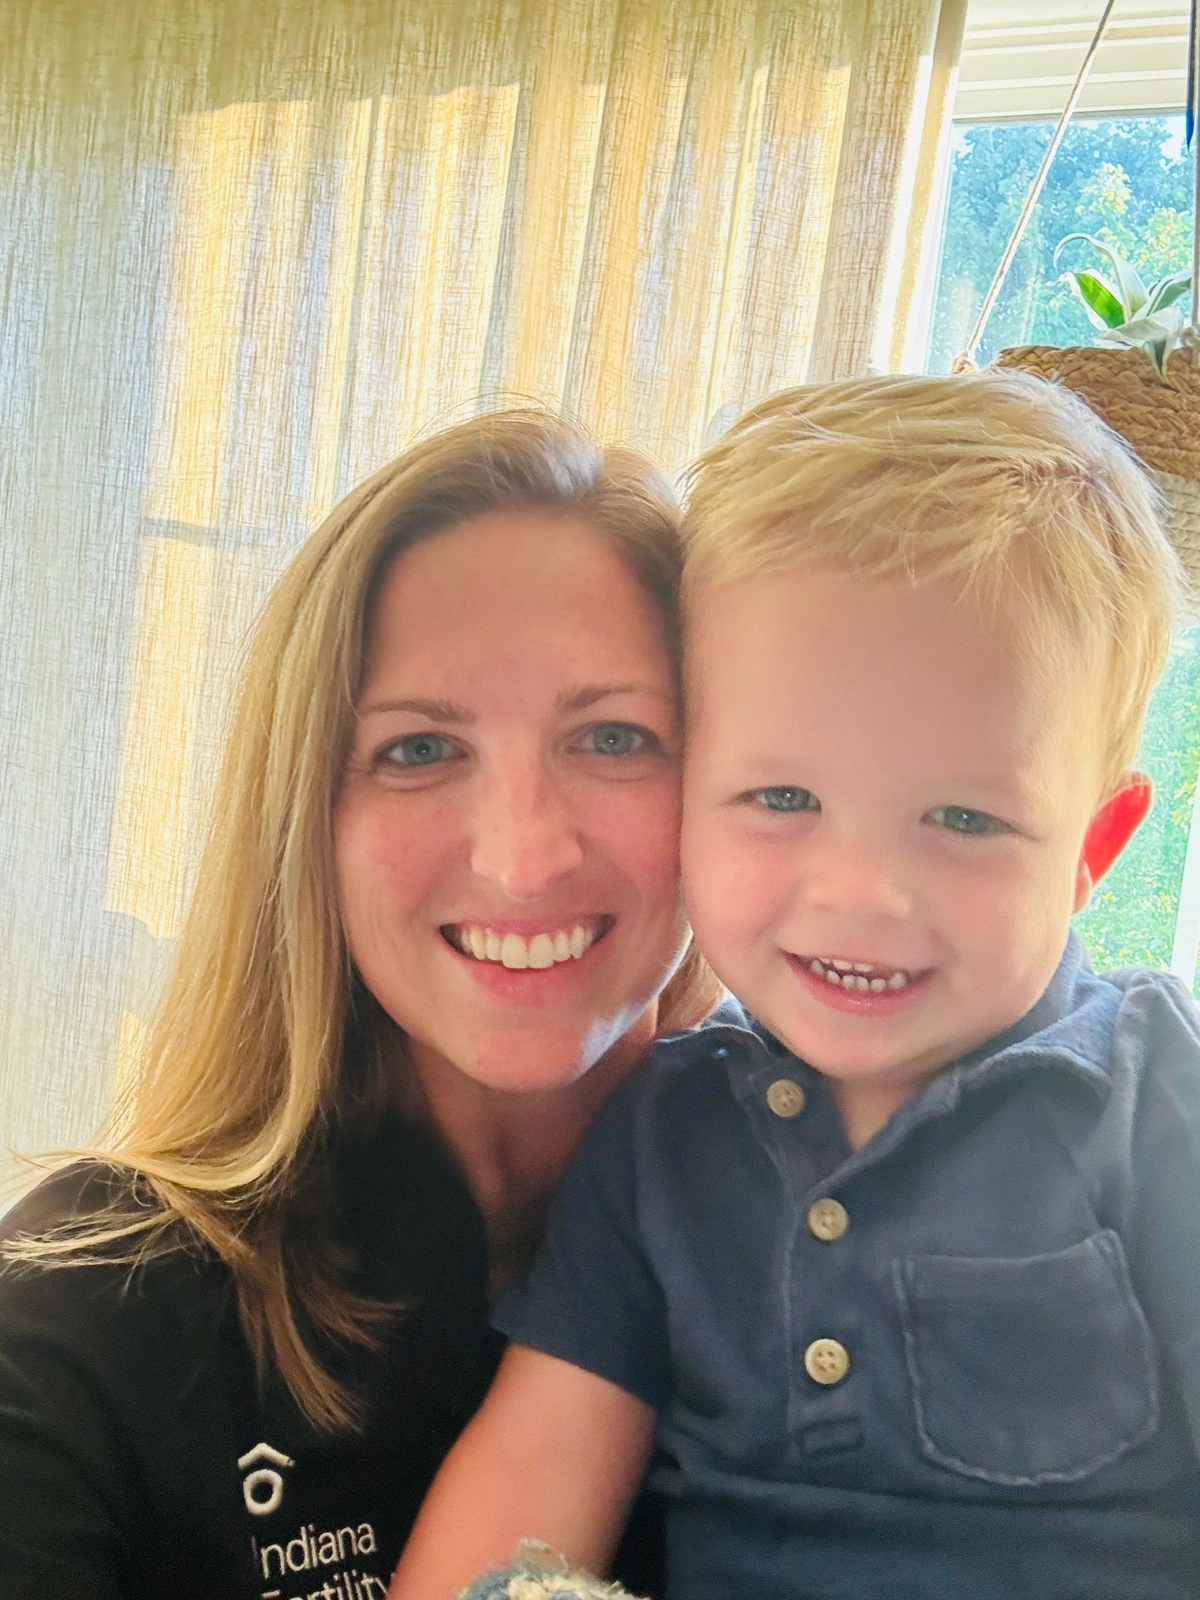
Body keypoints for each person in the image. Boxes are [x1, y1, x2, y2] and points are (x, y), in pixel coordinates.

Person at [390, 372, 1200, 1600]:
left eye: (965, 818)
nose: (862, 891)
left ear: (1095, 847)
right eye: (782, 799)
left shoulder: (1153, 1098)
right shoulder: (661, 1139)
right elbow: (531, 1480)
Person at [0, 408, 720, 1600]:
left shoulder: (850, 1249)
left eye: (613, 735)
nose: (523, 858)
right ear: (308, 822)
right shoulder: (86, 1306)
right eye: (418, 750)